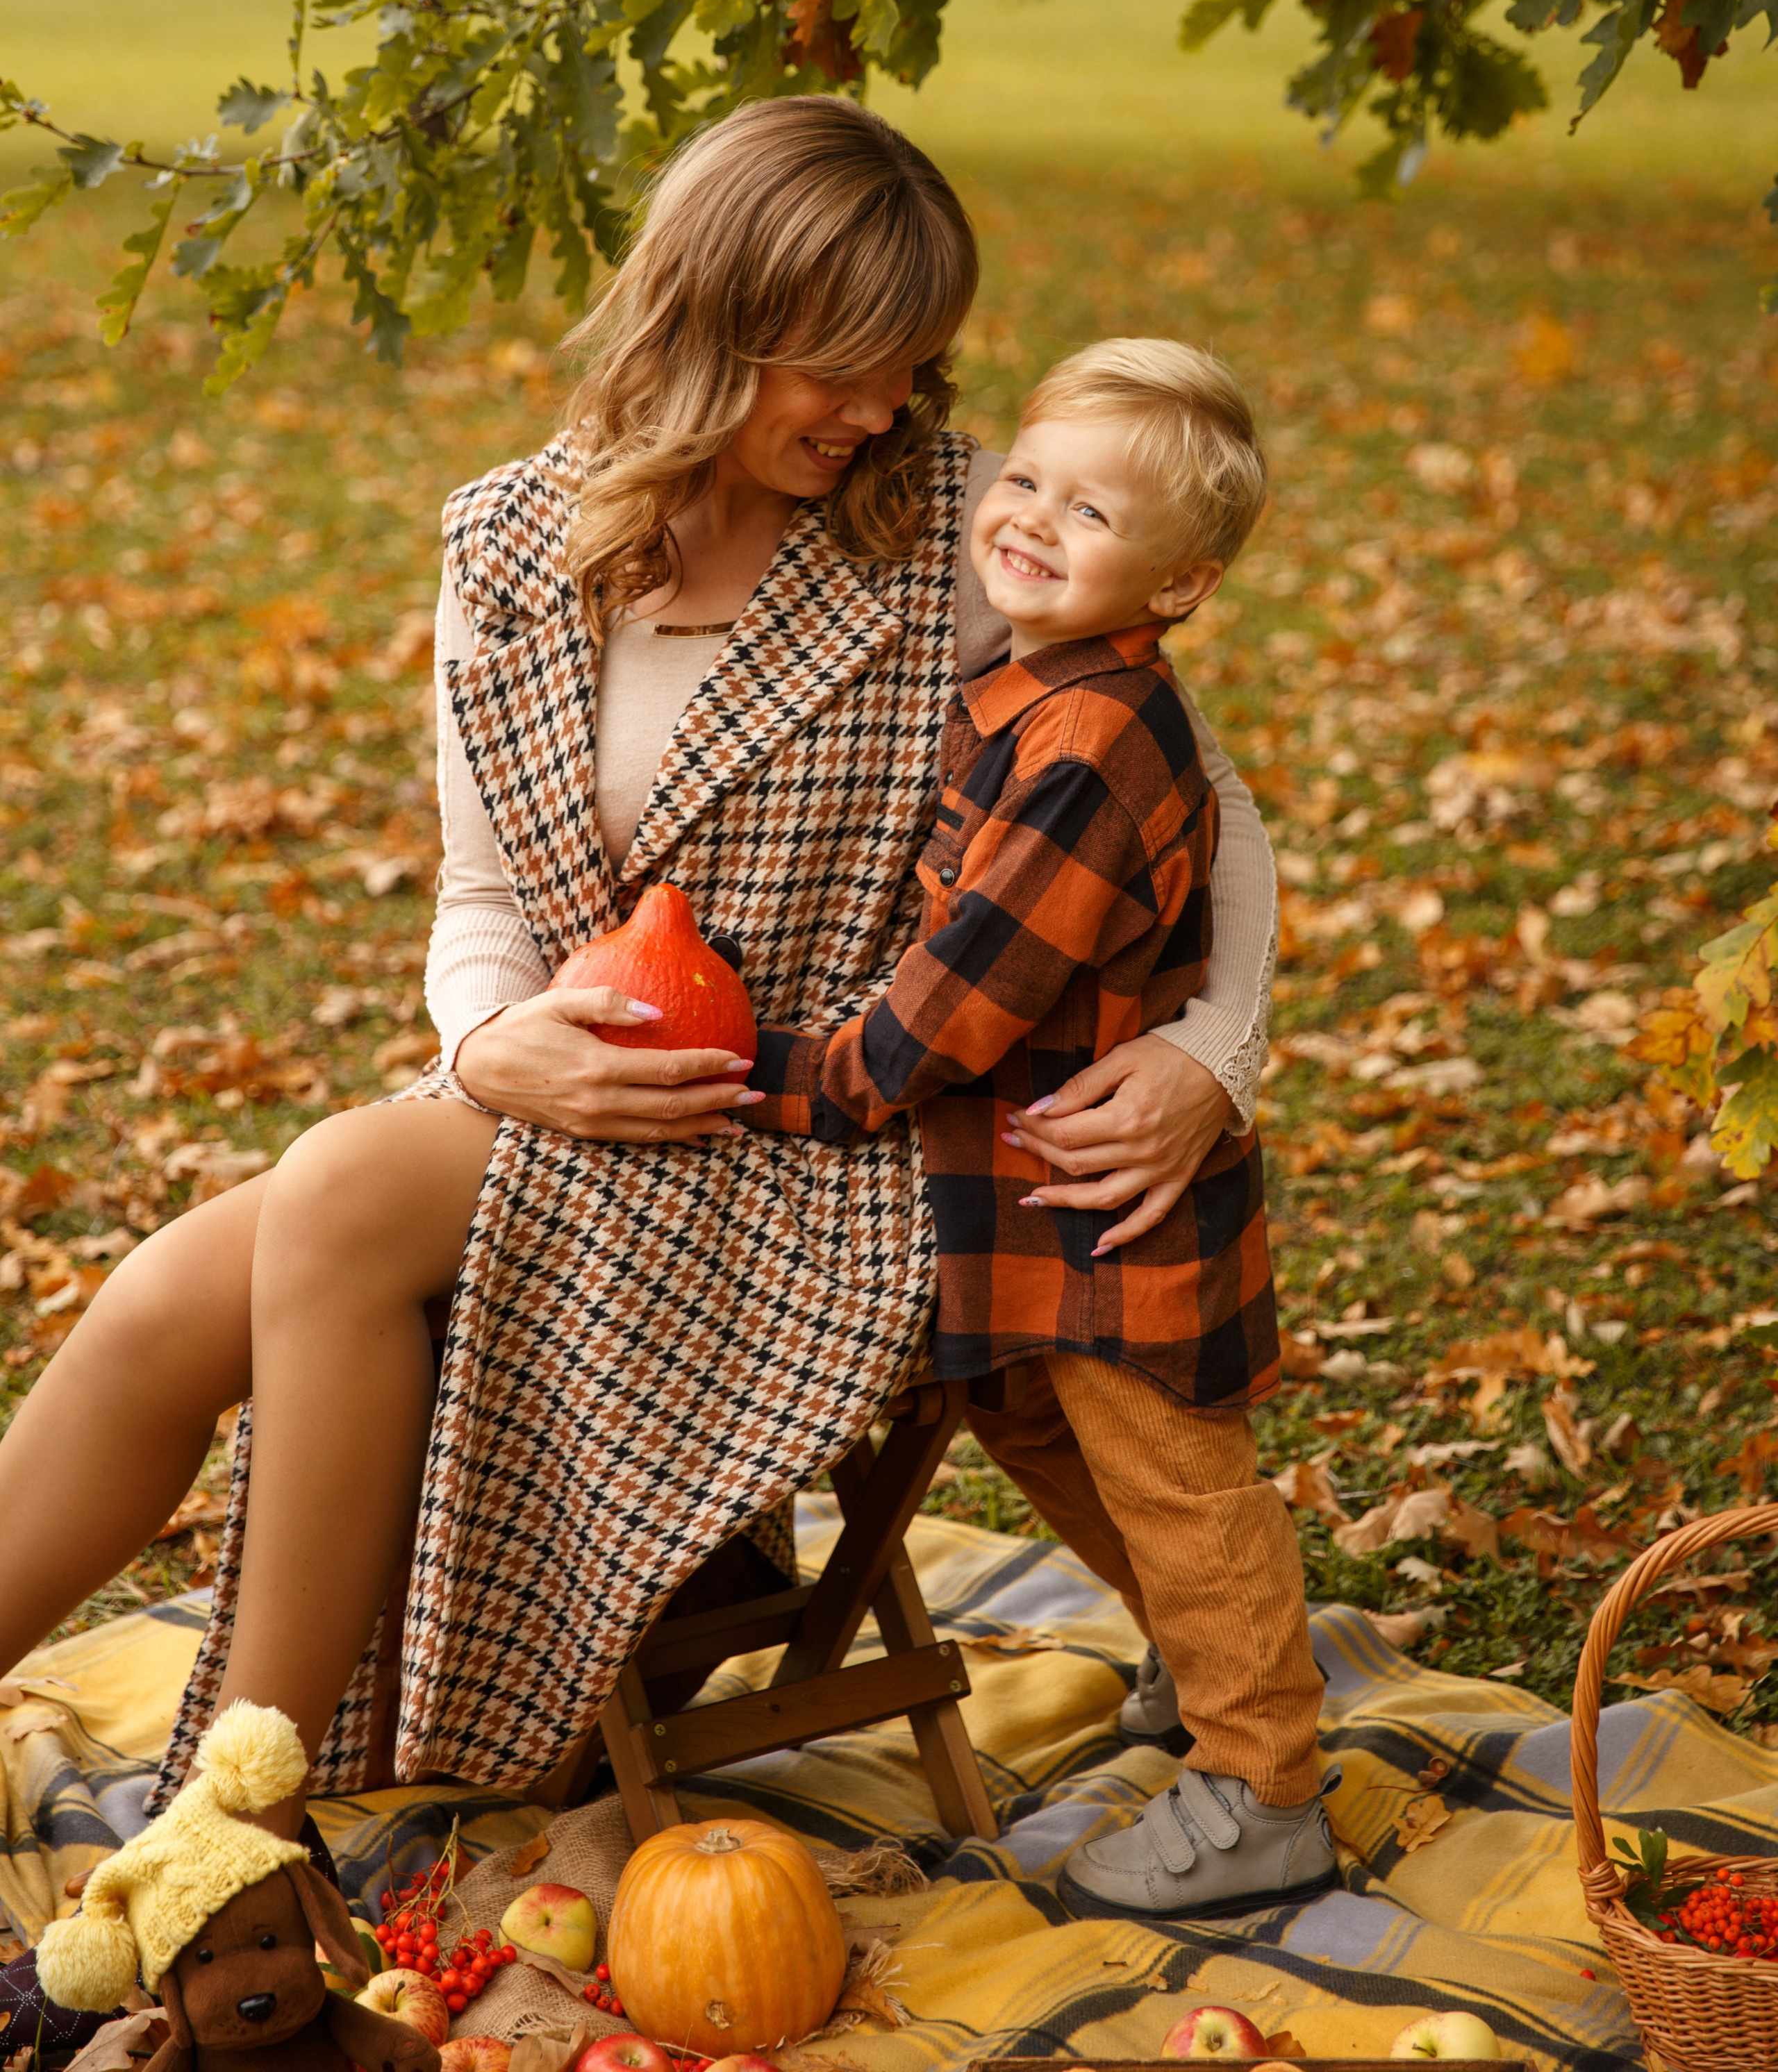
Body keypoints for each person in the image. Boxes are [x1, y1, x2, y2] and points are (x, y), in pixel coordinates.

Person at [0, 99, 1279, 1857]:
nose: (887, 412)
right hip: (572, 1098)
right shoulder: (509, 549)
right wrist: (492, 1039)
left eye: (913, 369)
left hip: (822, 1143)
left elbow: (1197, 804)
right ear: (714, 323)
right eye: (846, 367)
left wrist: (1215, 1053)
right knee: (161, 1301)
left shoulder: (952, 544)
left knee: (349, 1185)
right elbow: (476, 892)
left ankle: (234, 1827)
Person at [741, 337, 1332, 1921]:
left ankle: (1262, 1779)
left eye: (1087, 513)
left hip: (1099, 1188)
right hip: (1019, 1195)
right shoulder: (1030, 686)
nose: (1029, 522)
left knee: (1172, 1474)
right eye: (1023, 481)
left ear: (1180, 581)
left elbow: (963, 997)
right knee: (1026, 1424)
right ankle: (1211, 1659)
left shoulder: (1088, 747)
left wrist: (800, 1075)